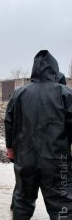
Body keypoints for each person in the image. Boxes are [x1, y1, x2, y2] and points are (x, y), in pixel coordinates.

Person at [5, 50, 72, 220]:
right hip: (57, 162)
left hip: (25, 159)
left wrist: (10, 148)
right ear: (54, 68)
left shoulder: (19, 94)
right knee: (62, 208)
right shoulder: (64, 93)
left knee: (22, 202)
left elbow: (9, 121)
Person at [9, 71, 68, 211]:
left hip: (27, 154)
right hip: (51, 155)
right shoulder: (60, 96)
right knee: (57, 195)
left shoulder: (24, 94)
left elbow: (11, 123)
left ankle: (16, 208)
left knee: (22, 186)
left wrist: (11, 148)